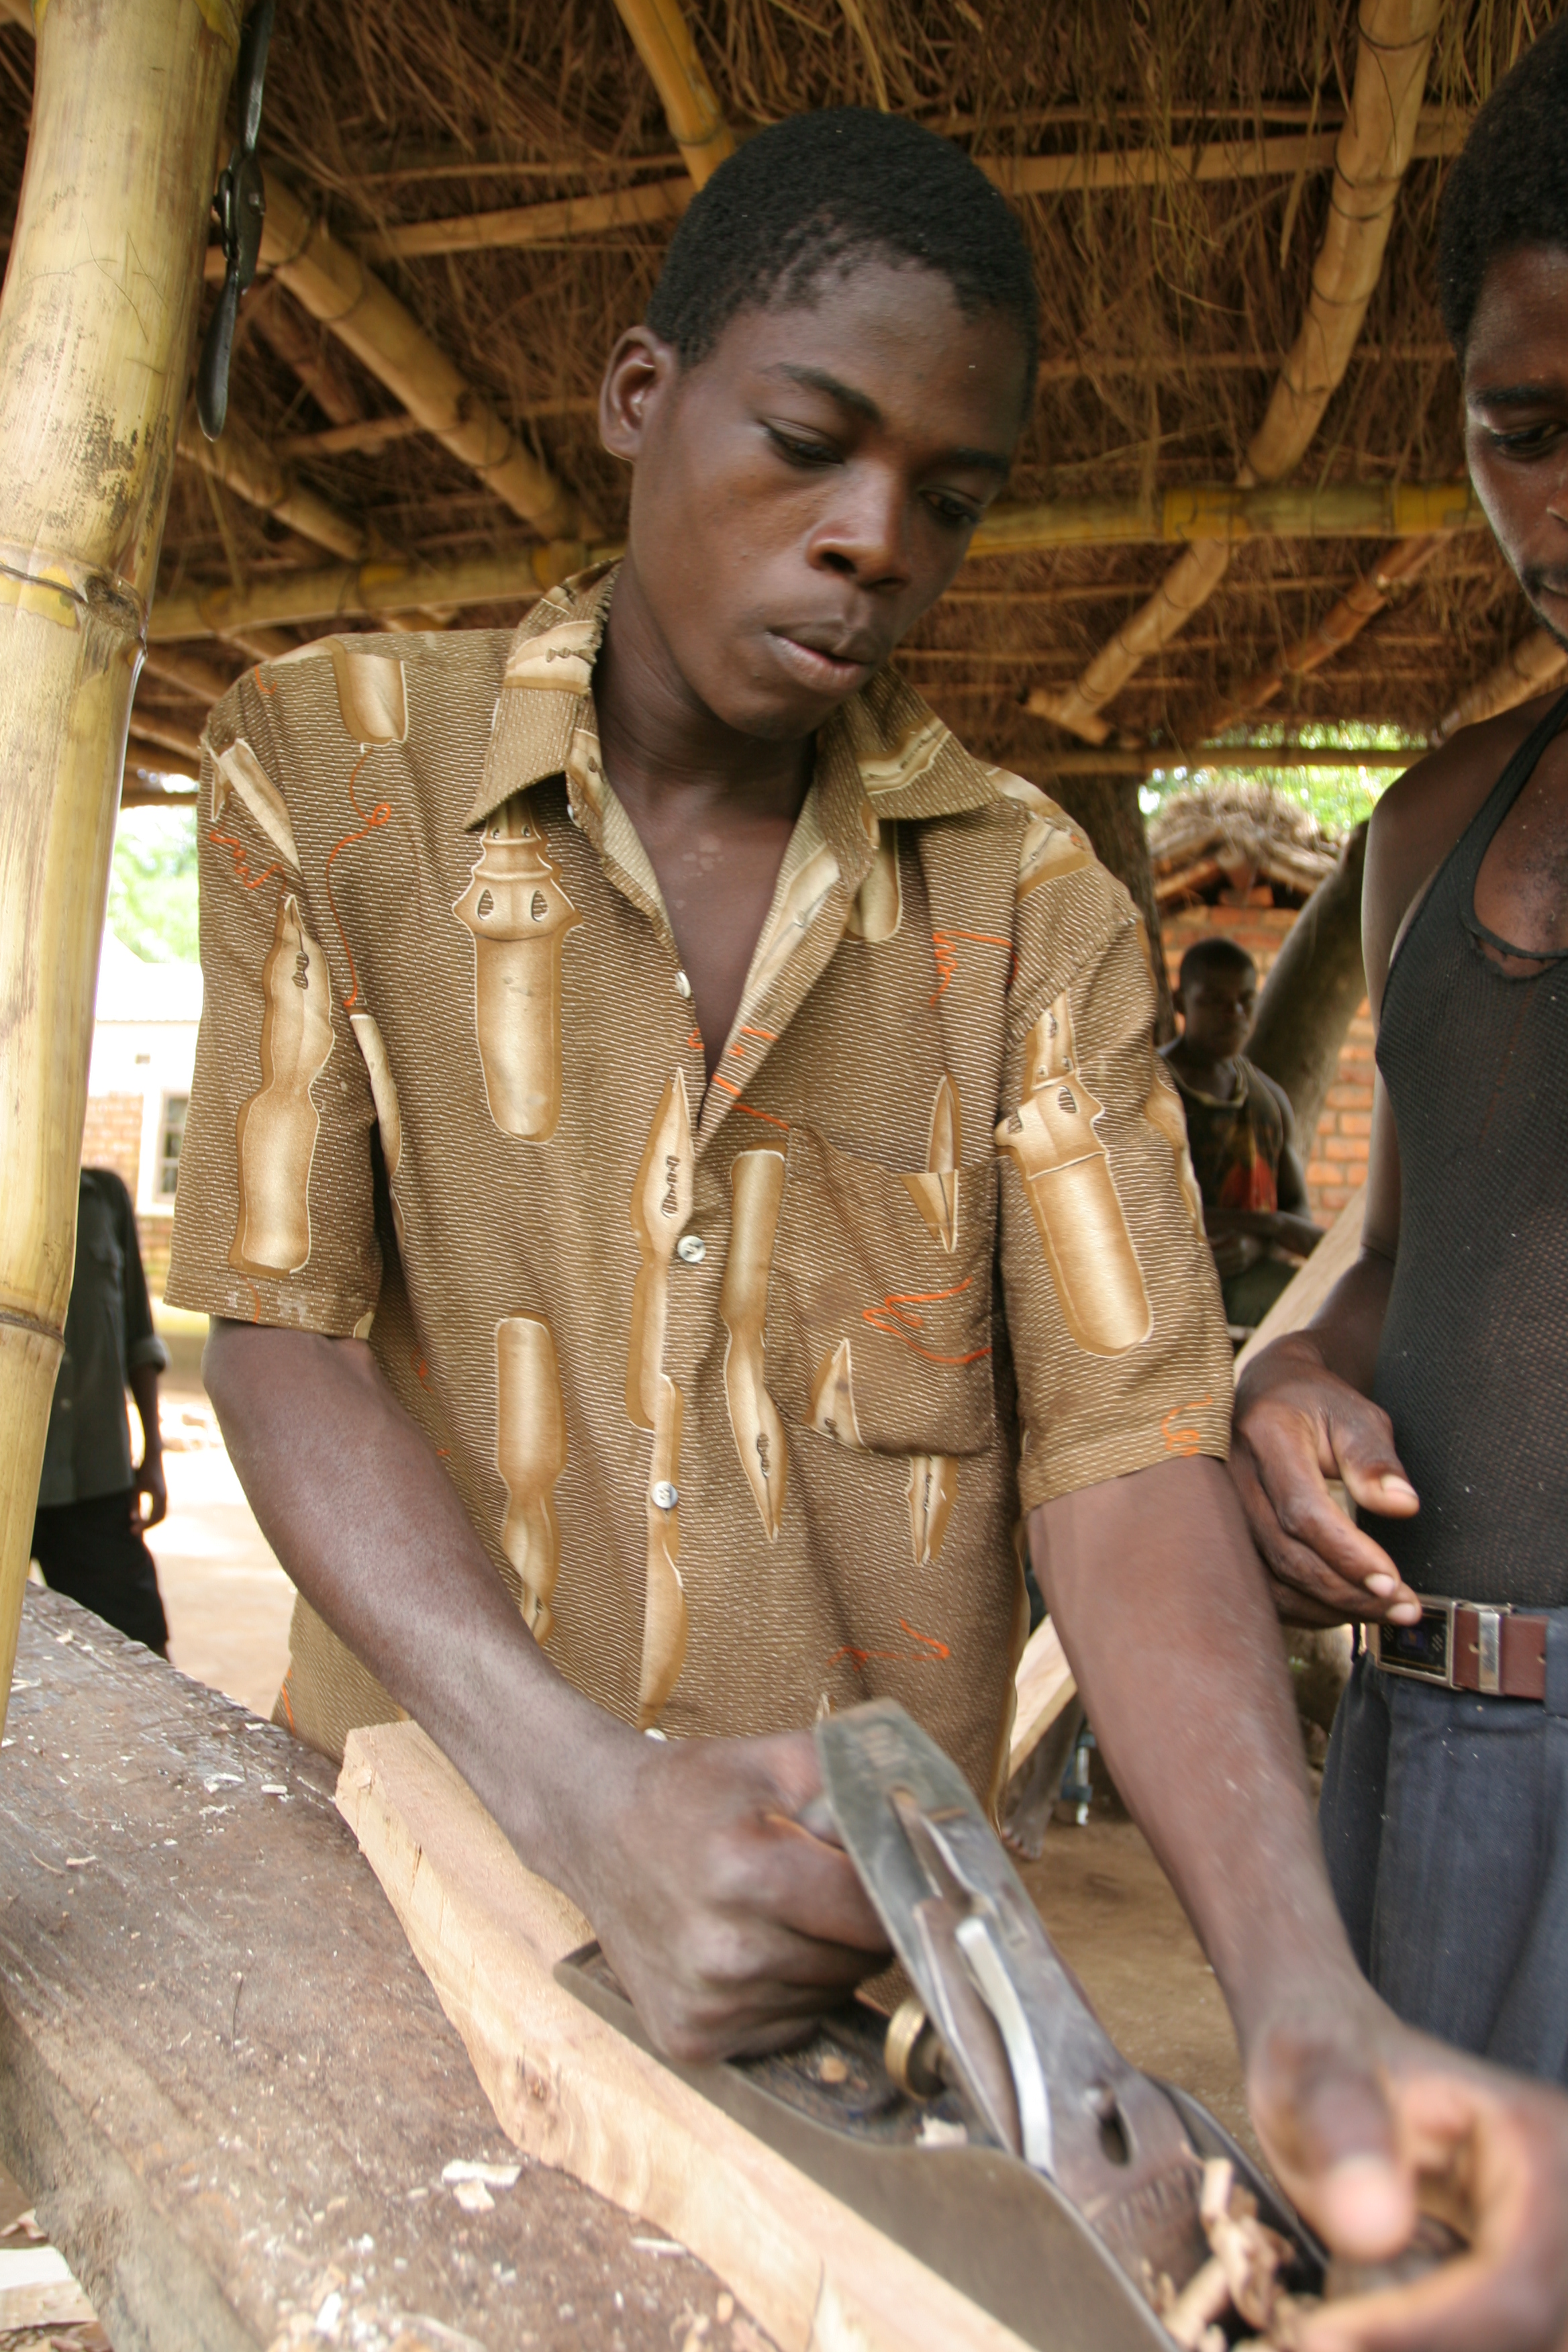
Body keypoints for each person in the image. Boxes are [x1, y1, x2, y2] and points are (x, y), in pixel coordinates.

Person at [167, 108, 1568, 2344]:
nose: (868, 542)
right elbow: (284, 1326)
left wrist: (1301, 2001)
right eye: (808, 445)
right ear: (642, 400)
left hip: (877, 1993)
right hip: (421, 1889)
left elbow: (1123, 1452)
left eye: (948, 494)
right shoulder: (332, 773)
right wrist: (579, 1793)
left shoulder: (1019, 907)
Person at [1232, 15, 1568, 2097]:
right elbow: (1388, 1254)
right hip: (1426, 1748)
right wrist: (1276, 1383)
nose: (1565, 497)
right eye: (1521, 427)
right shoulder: (1436, 830)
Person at [32, 1165, 170, 1655]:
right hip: (12, 1478)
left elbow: (139, 1338)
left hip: (96, 1477)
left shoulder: (103, 1197)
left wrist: (153, 1454)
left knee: (139, 1651)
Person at [1161, 936, 1321, 1330]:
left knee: (1323, 1309)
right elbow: (1143, 1204)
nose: (1233, 1013)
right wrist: (1273, 1226)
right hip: (1167, 1286)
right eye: (1214, 1000)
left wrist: (1257, 1246)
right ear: (1181, 1003)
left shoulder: (1268, 1099)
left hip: (1247, 1279)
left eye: (1245, 1000)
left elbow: (1297, 1207)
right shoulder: (1150, 1088)